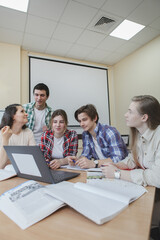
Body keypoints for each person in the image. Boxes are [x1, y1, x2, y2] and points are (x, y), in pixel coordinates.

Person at [100, 95, 160, 240]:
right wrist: (117, 165)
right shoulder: (140, 135)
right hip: (152, 191)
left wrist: (117, 174)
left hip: (157, 191)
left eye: (130, 111)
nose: (126, 115)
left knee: (134, 223)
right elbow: (132, 160)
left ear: (144, 117)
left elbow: (157, 178)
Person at [69, 104, 128, 169]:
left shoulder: (109, 132)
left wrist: (95, 163)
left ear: (95, 118)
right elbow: (85, 155)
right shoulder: (85, 134)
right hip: (101, 170)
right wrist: (78, 160)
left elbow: (118, 158)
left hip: (119, 170)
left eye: (84, 120)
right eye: (79, 121)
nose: (81, 124)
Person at [0, 104, 36, 169]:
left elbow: (34, 158)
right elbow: (1, 165)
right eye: (22, 111)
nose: (26, 114)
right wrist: (5, 139)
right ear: (13, 116)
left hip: (24, 170)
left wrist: (9, 161)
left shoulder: (28, 132)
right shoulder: (2, 133)